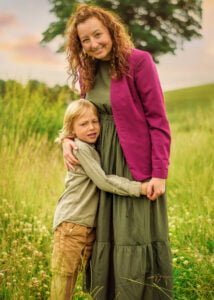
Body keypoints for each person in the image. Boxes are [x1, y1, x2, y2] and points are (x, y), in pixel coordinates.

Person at [63, 4, 173, 300]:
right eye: (85, 40)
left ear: (111, 30)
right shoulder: (88, 70)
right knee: (107, 235)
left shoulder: (139, 62)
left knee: (134, 234)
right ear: (79, 44)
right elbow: (79, 115)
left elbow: (158, 121)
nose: (93, 43)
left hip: (134, 165)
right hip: (101, 168)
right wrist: (65, 140)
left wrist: (159, 174)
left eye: (97, 35)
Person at [51, 99, 148, 300]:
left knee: (73, 280)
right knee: (64, 280)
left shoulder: (90, 148)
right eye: (83, 124)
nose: (92, 127)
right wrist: (139, 188)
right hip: (72, 224)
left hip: (85, 226)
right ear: (72, 129)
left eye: (95, 121)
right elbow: (103, 181)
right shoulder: (80, 149)